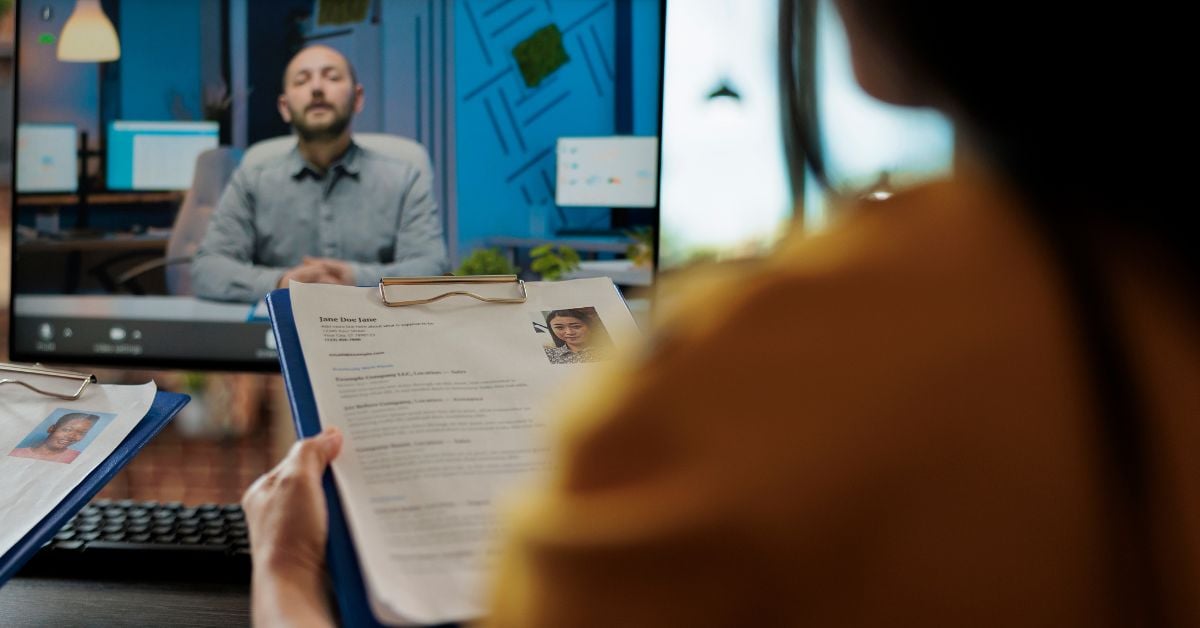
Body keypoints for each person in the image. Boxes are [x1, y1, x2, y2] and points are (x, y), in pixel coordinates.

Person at [243, 2, 1197, 626]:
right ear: (285, 99)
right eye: (304, 78)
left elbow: (423, 264)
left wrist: (286, 567)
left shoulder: (766, 365)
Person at [191, 45, 449, 303]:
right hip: (278, 331)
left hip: (378, 330)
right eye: (302, 81)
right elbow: (208, 269)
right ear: (284, 107)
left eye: (332, 77)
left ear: (357, 98)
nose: (316, 88)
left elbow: (432, 267)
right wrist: (281, 283)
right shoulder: (253, 180)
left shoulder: (403, 178)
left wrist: (355, 279)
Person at [9, 413, 100, 464]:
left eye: (81, 433)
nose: (72, 436)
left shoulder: (80, 459)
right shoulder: (16, 453)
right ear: (51, 429)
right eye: (67, 429)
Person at [543, 308, 608, 364]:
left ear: (590, 326)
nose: (569, 332)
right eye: (560, 328)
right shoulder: (549, 354)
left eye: (576, 326)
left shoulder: (607, 351)